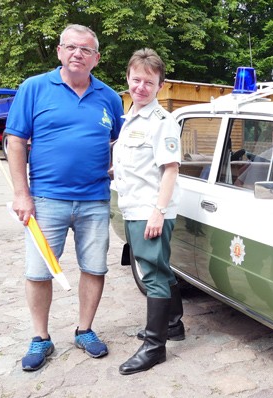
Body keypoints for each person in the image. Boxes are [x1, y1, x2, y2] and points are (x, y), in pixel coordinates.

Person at [5, 24, 124, 371]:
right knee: (39, 272)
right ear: (59, 51)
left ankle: (85, 330)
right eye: (71, 47)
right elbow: (14, 142)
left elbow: (119, 141)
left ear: (96, 58)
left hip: (95, 201)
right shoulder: (34, 88)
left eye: (85, 50)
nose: (77, 54)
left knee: (95, 267)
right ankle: (41, 338)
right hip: (45, 200)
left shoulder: (110, 98)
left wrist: (117, 163)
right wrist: (20, 194)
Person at [111, 48, 183, 375]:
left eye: (149, 82)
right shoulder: (131, 116)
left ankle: (155, 347)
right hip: (133, 205)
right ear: (128, 79)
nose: (141, 86)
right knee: (160, 268)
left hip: (149, 209)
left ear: (160, 85)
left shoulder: (161, 122)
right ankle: (173, 325)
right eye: (136, 79)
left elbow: (170, 169)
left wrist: (158, 212)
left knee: (152, 274)